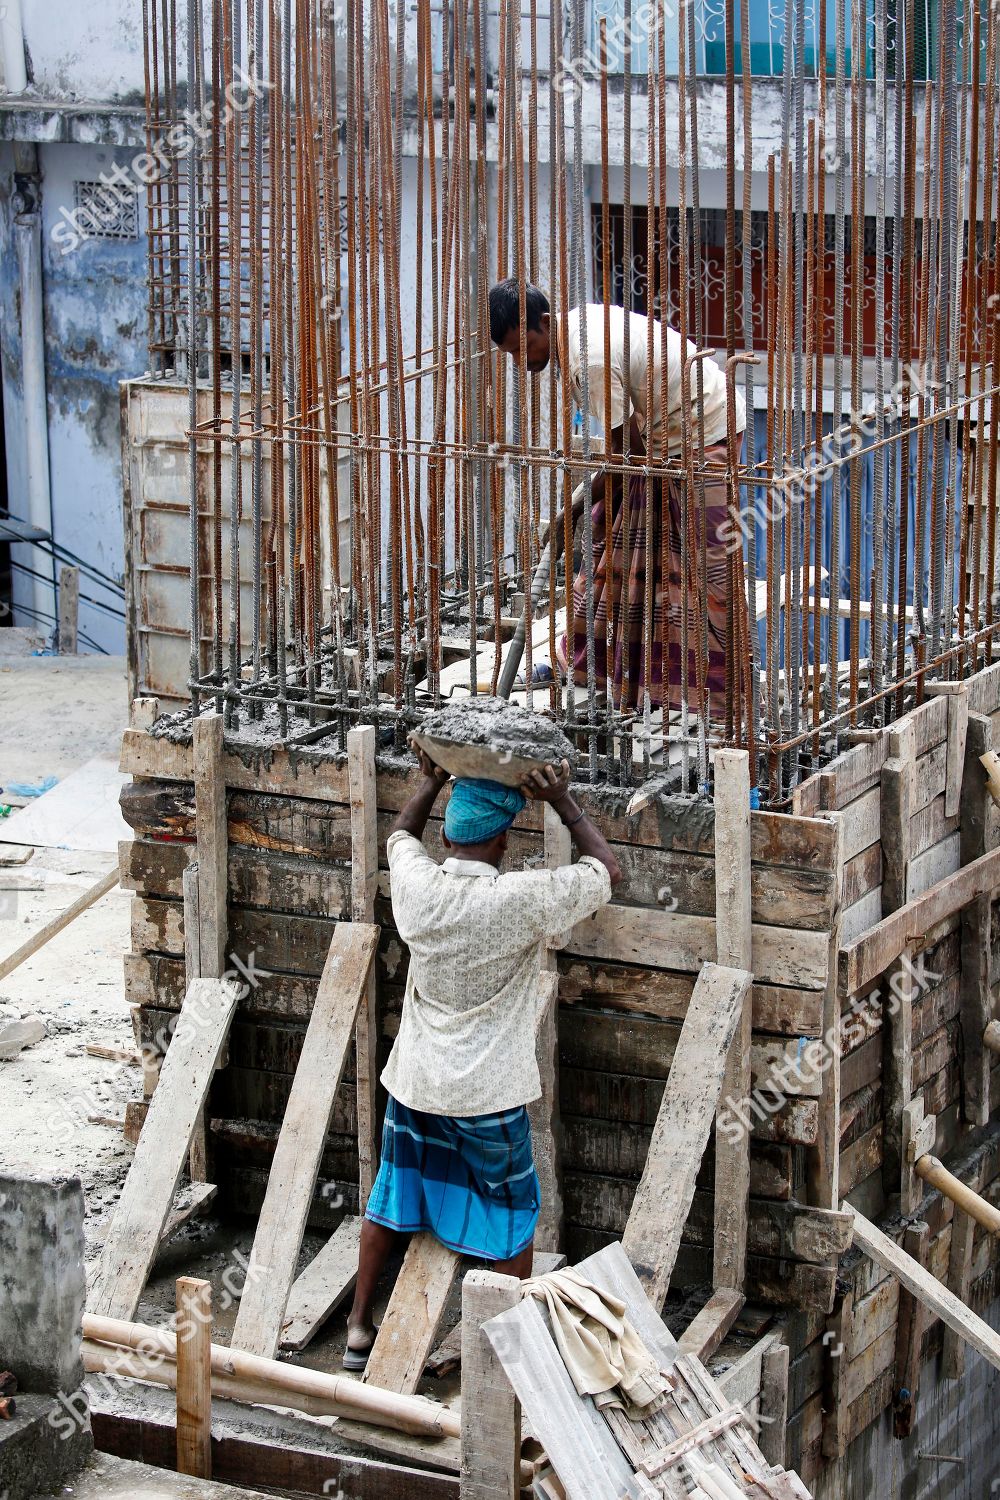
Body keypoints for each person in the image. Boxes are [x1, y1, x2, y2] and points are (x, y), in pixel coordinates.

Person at [344, 742, 621, 1369]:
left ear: (450, 836)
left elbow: (399, 834)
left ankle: (359, 1329)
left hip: (414, 1080)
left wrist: (431, 779)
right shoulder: (519, 900)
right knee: (514, 1209)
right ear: (499, 842)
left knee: (393, 1192)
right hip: (486, 1093)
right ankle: (510, 1351)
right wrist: (561, 801)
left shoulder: (417, 888)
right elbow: (607, 869)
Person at [488, 278, 748, 717]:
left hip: (706, 431)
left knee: (708, 568)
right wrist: (583, 507)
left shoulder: (586, 356)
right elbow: (627, 448)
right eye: (511, 354)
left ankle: (718, 696)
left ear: (545, 324)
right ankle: (604, 667)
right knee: (617, 542)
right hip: (661, 440)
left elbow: (622, 456)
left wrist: (574, 508)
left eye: (522, 347)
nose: (521, 361)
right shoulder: (576, 333)